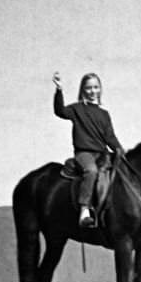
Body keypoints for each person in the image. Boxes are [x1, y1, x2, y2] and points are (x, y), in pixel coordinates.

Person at [53, 72, 125, 228]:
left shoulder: (104, 114)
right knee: (91, 171)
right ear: (83, 90)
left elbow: (109, 136)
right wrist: (59, 90)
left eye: (96, 87)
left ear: (100, 89)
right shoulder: (76, 109)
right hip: (84, 153)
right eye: (89, 88)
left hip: (102, 154)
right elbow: (60, 111)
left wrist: (119, 150)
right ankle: (84, 210)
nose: (93, 91)